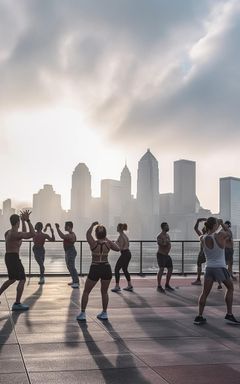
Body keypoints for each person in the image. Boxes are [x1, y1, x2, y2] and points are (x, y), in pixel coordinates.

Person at [194, 217, 240, 325]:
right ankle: (229, 314)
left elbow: (200, 232)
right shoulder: (220, 235)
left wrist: (216, 224)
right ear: (215, 225)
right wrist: (222, 224)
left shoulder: (202, 237)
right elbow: (229, 233)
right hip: (220, 267)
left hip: (209, 268)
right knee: (230, 288)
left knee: (204, 293)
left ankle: (199, 316)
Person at [76, 222, 119, 321]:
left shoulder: (93, 243)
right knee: (104, 292)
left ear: (96, 234)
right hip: (106, 267)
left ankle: (82, 313)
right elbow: (118, 248)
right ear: (105, 234)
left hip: (95, 267)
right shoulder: (108, 244)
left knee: (86, 291)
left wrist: (92, 225)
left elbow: (87, 234)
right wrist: (106, 239)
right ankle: (104, 313)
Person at [0, 210, 35, 310]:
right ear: (17, 223)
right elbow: (32, 234)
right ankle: (17, 303)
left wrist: (23, 221)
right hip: (13, 258)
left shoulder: (8, 232)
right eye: (20, 222)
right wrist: (28, 220)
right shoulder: (15, 234)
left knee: (12, 279)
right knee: (22, 279)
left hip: (9, 257)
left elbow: (22, 233)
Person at [55, 221, 79, 288]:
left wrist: (57, 228)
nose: (64, 227)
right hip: (68, 252)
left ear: (68, 227)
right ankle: (74, 280)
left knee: (72, 267)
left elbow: (62, 236)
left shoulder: (71, 235)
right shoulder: (71, 234)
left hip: (71, 252)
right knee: (69, 267)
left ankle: (76, 282)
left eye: (65, 226)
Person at [111, 223, 133, 292]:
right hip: (128, 253)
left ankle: (117, 286)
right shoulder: (124, 236)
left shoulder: (121, 236)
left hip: (124, 254)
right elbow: (127, 244)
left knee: (116, 269)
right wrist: (114, 243)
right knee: (125, 269)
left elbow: (119, 248)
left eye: (117, 227)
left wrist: (111, 246)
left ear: (120, 228)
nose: (116, 228)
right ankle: (129, 285)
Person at [156, 222, 174, 293]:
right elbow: (161, 244)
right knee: (161, 269)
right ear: (163, 227)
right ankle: (159, 286)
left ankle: (167, 284)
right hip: (161, 255)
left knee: (170, 268)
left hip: (167, 255)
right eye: (167, 226)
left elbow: (168, 243)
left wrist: (167, 242)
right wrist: (166, 242)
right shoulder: (159, 236)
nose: (168, 227)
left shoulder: (167, 235)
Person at [191, 218, 207, 286]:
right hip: (208, 252)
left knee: (199, 264)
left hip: (203, 252)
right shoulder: (209, 235)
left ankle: (198, 279)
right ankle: (218, 282)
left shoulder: (203, 236)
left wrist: (198, 221)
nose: (202, 229)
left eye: (203, 228)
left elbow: (195, 228)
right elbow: (195, 228)